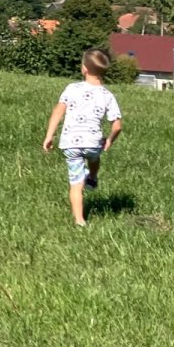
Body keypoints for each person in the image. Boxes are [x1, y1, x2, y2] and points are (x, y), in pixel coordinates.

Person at [42, 47, 124, 227]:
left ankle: (79, 220)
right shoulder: (108, 96)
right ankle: (92, 177)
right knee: (94, 158)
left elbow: (58, 112)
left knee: (75, 184)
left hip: (70, 144)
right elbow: (117, 126)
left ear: (84, 69)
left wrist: (49, 135)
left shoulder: (72, 88)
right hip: (93, 143)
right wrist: (109, 140)